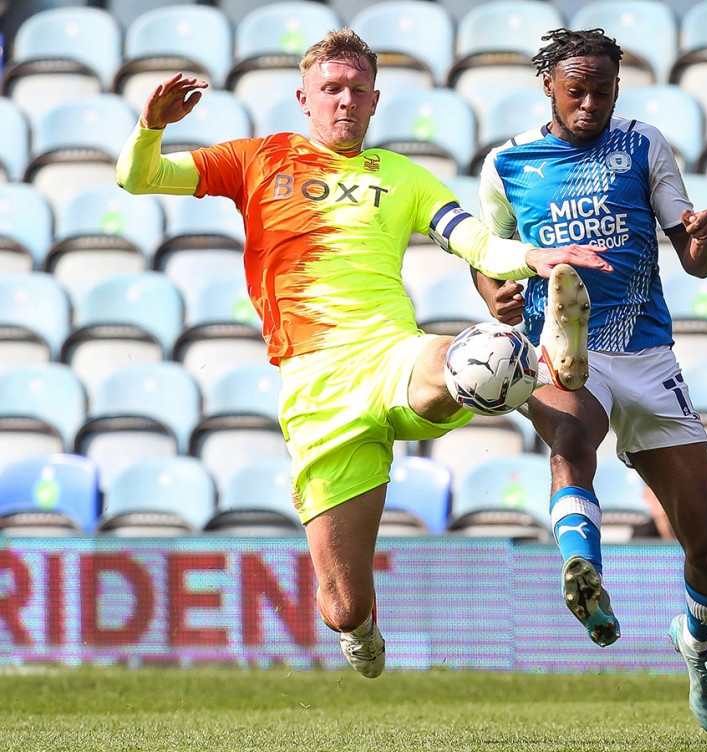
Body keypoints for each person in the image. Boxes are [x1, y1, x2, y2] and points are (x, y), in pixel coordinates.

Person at [115, 29, 611, 680]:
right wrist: (150, 127)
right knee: (342, 605)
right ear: (305, 97)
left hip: (394, 358)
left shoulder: (401, 176)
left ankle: (544, 360)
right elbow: (137, 177)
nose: (344, 101)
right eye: (331, 89)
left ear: (375, 101)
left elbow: (475, 243)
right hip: (317, 393)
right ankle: (362, 629)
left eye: (356, 90)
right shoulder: (256, 160)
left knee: (479, 354)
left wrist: (534, 258)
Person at [471, 28, 707, 735]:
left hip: (648, 356)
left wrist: (706, 240)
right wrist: (492, 289)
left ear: (618, 90)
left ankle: (696, 643)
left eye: (603, 91)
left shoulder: (643, 144)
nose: (589, 104)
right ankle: (582, 571)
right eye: (576, 90)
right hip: (560, 345)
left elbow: (692, 253)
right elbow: (487, 253)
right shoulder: (509, 163)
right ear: (548, 85)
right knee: (571, 439)